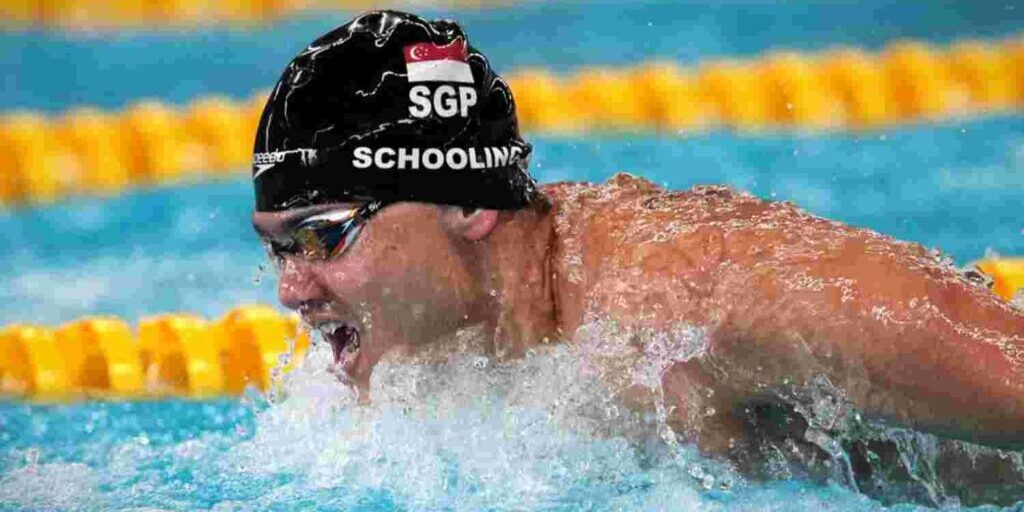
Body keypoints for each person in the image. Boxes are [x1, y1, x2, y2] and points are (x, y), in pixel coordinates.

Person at [250, 10, 1024, 466]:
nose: (291, 288)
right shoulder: (427, 357)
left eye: (321, 237)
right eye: (277, 246)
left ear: (467, 203)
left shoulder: (698, 302)